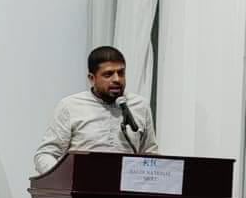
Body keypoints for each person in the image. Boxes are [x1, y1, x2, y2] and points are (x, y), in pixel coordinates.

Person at [34, 45, 159, 174]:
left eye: (121, 73)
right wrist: (63, 178)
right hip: (82, 183)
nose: (117, 79)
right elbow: (45, 154)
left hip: (127, 184)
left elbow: (150, 154)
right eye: (108, 74)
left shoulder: (140, 106)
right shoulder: (70, 106)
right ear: (92, 78)